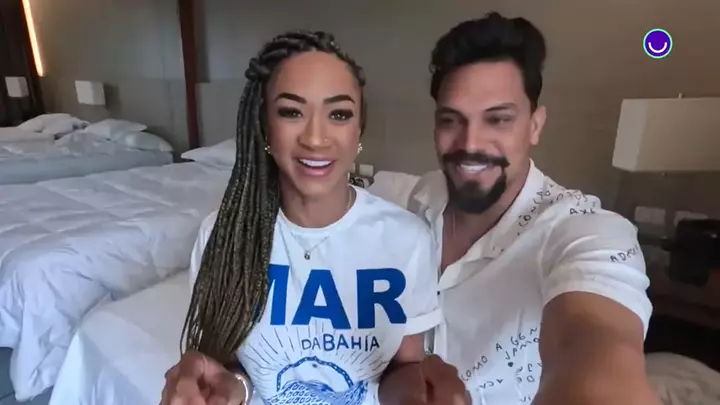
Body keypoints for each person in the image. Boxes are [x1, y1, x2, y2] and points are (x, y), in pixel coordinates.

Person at [160, 31, 468, 405]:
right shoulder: (222, 237)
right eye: (291, 112)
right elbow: (229, 369)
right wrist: (230, 388)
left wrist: (417, 394)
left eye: (339, 114)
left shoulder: (407, 240)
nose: (316, 138)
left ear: (358, 132)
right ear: (265, 128)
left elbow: (401, 369)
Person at [397, 12, 660, 404]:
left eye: (498, 120)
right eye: (451, 120)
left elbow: (598, 348)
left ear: (535, 125)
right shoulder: (422, 198)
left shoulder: (583, 232)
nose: (470, 143)